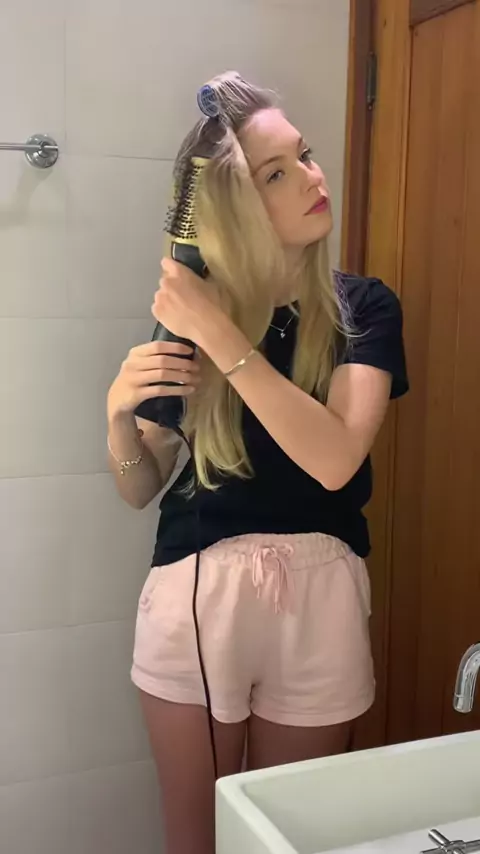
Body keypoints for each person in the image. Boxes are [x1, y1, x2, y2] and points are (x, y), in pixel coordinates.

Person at [107, 72, 408, 854]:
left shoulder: (363, 309)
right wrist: (118, 418)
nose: (312, 177)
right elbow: (140, 488)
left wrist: (220, 333)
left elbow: (335, 460)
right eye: (277, 174)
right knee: (198, 838)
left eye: (304, 155)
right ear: (234, 211)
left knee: (290, 837)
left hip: (321, 601)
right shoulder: (190, 324)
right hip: (196, 596)